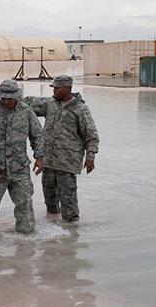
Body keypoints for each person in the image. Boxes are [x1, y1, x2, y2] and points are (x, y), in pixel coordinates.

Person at [24, 75, 100, 222]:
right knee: (50, 201)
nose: (54, 91)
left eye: (57, 88)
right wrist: (11, 95)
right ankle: (53, 234)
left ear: (68, 88)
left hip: (67, 163)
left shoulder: (80, 109)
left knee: (68, 203)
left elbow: (91, 135)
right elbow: (28, 104)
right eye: (53, 88)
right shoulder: (50, 104)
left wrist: (90, 157)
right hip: (48, 161)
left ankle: (71, 236)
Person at [0, 79, 43, 233]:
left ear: (17, 97)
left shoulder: (26, 112)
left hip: (19, 169)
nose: (5, 101)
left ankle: (25, 245)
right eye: (3, 98)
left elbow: (37, 135)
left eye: (9, 98)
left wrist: (39, 157)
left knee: (25, 207)